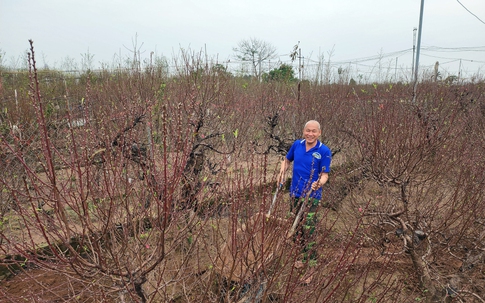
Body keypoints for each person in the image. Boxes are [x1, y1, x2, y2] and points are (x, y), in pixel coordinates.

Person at [278, 120, 332, 280]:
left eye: (314, 131)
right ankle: (303, 259)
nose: (310, 134)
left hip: (311, 197)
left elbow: (325, 175)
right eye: (308, 131)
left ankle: (311, 269)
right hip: (295, 194)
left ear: (319, 133)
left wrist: (319, 183)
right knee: (297, 231)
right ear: (303, 131)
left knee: (309, 233)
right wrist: (281, 173)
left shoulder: (324, 151)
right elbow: (287, 161)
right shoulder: (297, 145)